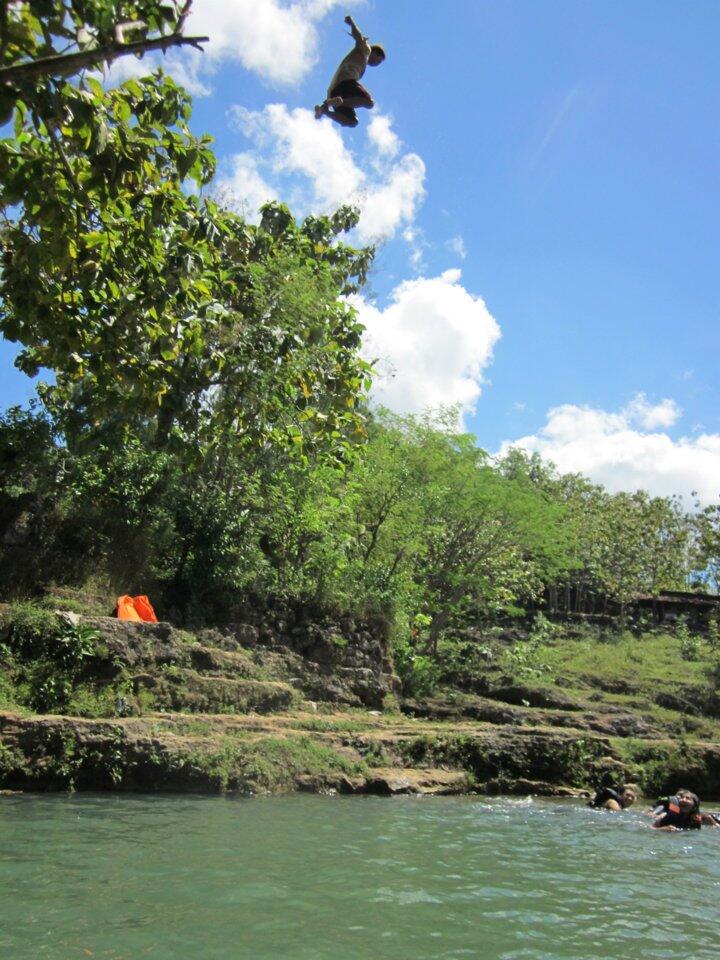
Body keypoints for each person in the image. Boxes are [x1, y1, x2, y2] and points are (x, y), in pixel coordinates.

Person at [315, 15, 386, 128]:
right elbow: (359, 37)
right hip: (344, 83)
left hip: (333, 93)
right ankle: (337, 102)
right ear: (375, 53)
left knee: (352, 121)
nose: (376, 65)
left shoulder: (360, 61)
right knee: (369, 102)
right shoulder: (366, 49)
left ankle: (324, 110)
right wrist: (352, 22)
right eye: (379, 61)